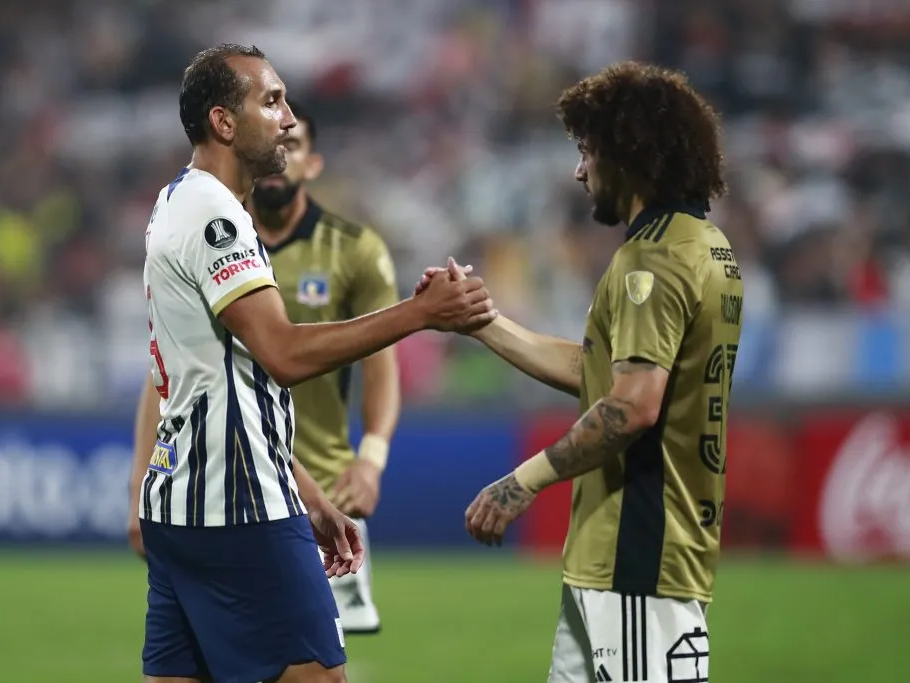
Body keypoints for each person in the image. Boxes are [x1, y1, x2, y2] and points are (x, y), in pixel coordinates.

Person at [132, 43, 495, 683]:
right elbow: (283, 354)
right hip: (240, 508)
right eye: (271, 101)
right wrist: (421, 314)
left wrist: (306, 491)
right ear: (223, 122)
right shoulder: (217, 217)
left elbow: (221, 382)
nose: (289, 118)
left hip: (182, 505)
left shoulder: (174, 200)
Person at [418, 62, 742, 683]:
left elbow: (633, 406)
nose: (580, 169)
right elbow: (599, 374)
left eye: (589, 149)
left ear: (628, 152)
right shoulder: (703, 246)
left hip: (639, 561)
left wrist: (522, 481)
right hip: (617, 563)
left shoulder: (655, 261)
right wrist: (481, 321)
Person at [131, 99, 398, 635]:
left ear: (311, 163)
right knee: (308, 661)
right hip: (238, 480)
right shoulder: (216, 231)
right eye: (278, 127)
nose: (285, 146)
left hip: (317, 481)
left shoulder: (353, 250)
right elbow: (168, 370)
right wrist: (141, 478)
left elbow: (381, 367)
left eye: (296, 142)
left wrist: (370, 458)